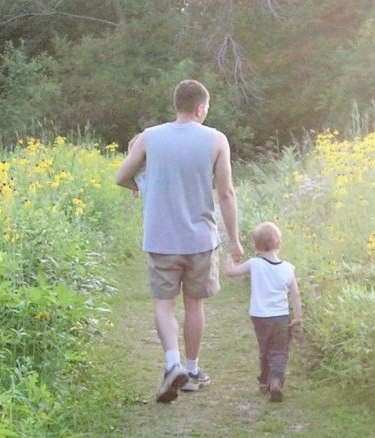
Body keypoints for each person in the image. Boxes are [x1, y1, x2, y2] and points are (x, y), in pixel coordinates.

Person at [115, 79, 244, 403]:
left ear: (177, 105)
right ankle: (192, 371)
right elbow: (226, 193)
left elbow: (121, 177)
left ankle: (172, 363)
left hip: (160, 238)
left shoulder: (150, 137)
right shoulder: (216, 139)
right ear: (200, 108)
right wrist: (236, 240)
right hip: (200, 239)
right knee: (194, 304)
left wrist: (142, 184)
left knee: (163, 304)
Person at [224, 222, 302, 402]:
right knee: (280, 350)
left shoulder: (254, 264)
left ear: (256, 247)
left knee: (265, 348)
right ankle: (276, 380)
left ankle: (264, 382)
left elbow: (230, 272)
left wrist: (231, 257)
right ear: (279, 244)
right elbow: (295, 294)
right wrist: (297, 318)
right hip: (282, 317)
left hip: (259, 316)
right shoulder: (288, 268)